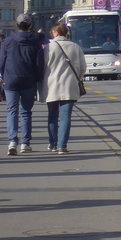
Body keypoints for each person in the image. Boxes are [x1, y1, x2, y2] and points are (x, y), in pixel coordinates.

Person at [1, 12, 46, 156]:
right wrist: (39, 77)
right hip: (29, 79)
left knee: (12, 110)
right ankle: (25, 143)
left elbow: (1, 61)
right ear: (30, 25)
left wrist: (3, 74)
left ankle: (12, 141)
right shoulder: (36, 41)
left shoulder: (8, 41)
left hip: (11, 79)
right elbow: (40, 63)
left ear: (17, 25)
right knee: (26, 112)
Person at [43, 22, 85, 154]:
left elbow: (42, 66)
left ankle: (53, 143)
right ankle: (62, 145)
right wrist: (78, 77)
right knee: (66, 116)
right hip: (69, 86)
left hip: (52, 86)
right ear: (66, 33)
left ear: (55, 33)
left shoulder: (49, 47)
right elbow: (83, 68)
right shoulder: (75, 47)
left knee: (52, 116)